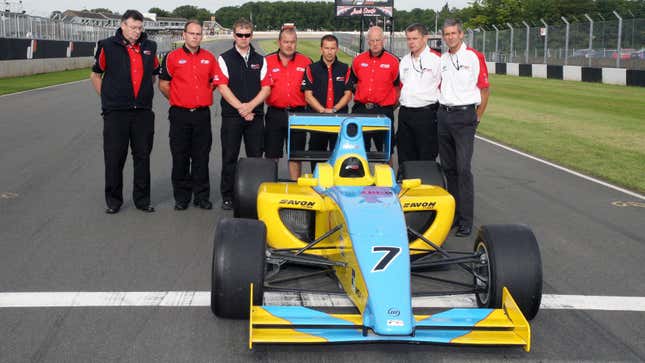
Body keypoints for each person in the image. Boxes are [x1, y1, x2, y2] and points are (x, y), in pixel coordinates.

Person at [90, 10, 159, 214]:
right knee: (114, 157)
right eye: (133, 27)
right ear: (123, 25)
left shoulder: (150, 47)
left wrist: (143, 93)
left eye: (140, 28)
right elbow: (95, 75)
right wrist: (108, 98)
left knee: (143, 156)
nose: (137, 31)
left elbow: (153, 75)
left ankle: (142, 200)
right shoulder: (107, 46)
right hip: (116, 113)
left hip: (143, 112)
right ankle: (113, 201)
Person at [159, 20, 223, 211]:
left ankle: (201, 196)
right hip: (180, 115)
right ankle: (181, 197)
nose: (195, 37)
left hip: (202, 115)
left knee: (201, 157)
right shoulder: (172, 57)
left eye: (198, 34)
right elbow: (163, 84)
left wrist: (201, 95)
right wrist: (180, 99)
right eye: (192, 33)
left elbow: (215, 82)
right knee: (180, 157)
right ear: (184, 35)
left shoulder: (209, 58)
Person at [438, 19, 490, 237]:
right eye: (446, 34)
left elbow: (485, 90)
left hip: (465, 116)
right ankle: (455, 216)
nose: (450, 37)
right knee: (449, 169)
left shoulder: (474, 57)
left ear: (461, 35)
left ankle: (467, 220)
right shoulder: (443, 58)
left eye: (453, 33)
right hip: (444, 115)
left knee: (463, 169)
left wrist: (476, 118)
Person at [215, 18, 271, 210]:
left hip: (255, 117)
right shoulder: (224, 58)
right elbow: (222, 87)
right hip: (232, 116)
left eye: (247, 35)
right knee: (229, 157)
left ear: (251, 36)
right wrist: (241, 108)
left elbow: (266, 89)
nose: (243, 38)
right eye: (240, 34)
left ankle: (255, 195)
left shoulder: (260, 59)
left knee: (255, 158)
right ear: (234, 35)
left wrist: (250, 107)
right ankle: (228, 195)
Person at [264, 27, 312, 180]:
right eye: (286, 42)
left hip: (298, 114)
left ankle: (295, 189)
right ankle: (271, 189)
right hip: (275, 114)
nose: (289, 45)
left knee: (295, 155)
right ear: (279, 42)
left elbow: (313, 89)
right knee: (272, 156)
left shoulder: (306, 62)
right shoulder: (267, 61)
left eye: (292, 42)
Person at [397, 23, 442, 180]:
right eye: (408, 39)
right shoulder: (404, 61)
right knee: (404, 155)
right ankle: (405, 192)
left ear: (425, 38)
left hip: (426, 114)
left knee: (425, 155)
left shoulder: (437, 59)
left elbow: (444, 86)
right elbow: (403, 85)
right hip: (405, 113)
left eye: (415, 38)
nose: (411, 42)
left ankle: (426, 193)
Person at [302, 34, 352, 170]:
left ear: (337, 49)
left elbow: (348, 95)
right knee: (317, 159)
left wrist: (334, 110)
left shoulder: (345, 68)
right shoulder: (311, 69)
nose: (329, 51)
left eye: (332, 48)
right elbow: (308, 95)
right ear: (321, 49)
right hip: (317, 121)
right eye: (326, 48)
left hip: (339, 120)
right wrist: (323, 111)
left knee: (339, 159)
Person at [350, 26, 400, 155]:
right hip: (361, 110)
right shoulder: (358, 60)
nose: (375, 43)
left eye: (378, 40)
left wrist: (389, 106)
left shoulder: (394, 61)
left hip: (383, 111)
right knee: (358, 150)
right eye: (372, 40)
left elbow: (398, 88)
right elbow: (353, 84)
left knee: (386, 151)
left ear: (383, 40)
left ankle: (388, 175)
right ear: (368, 41)